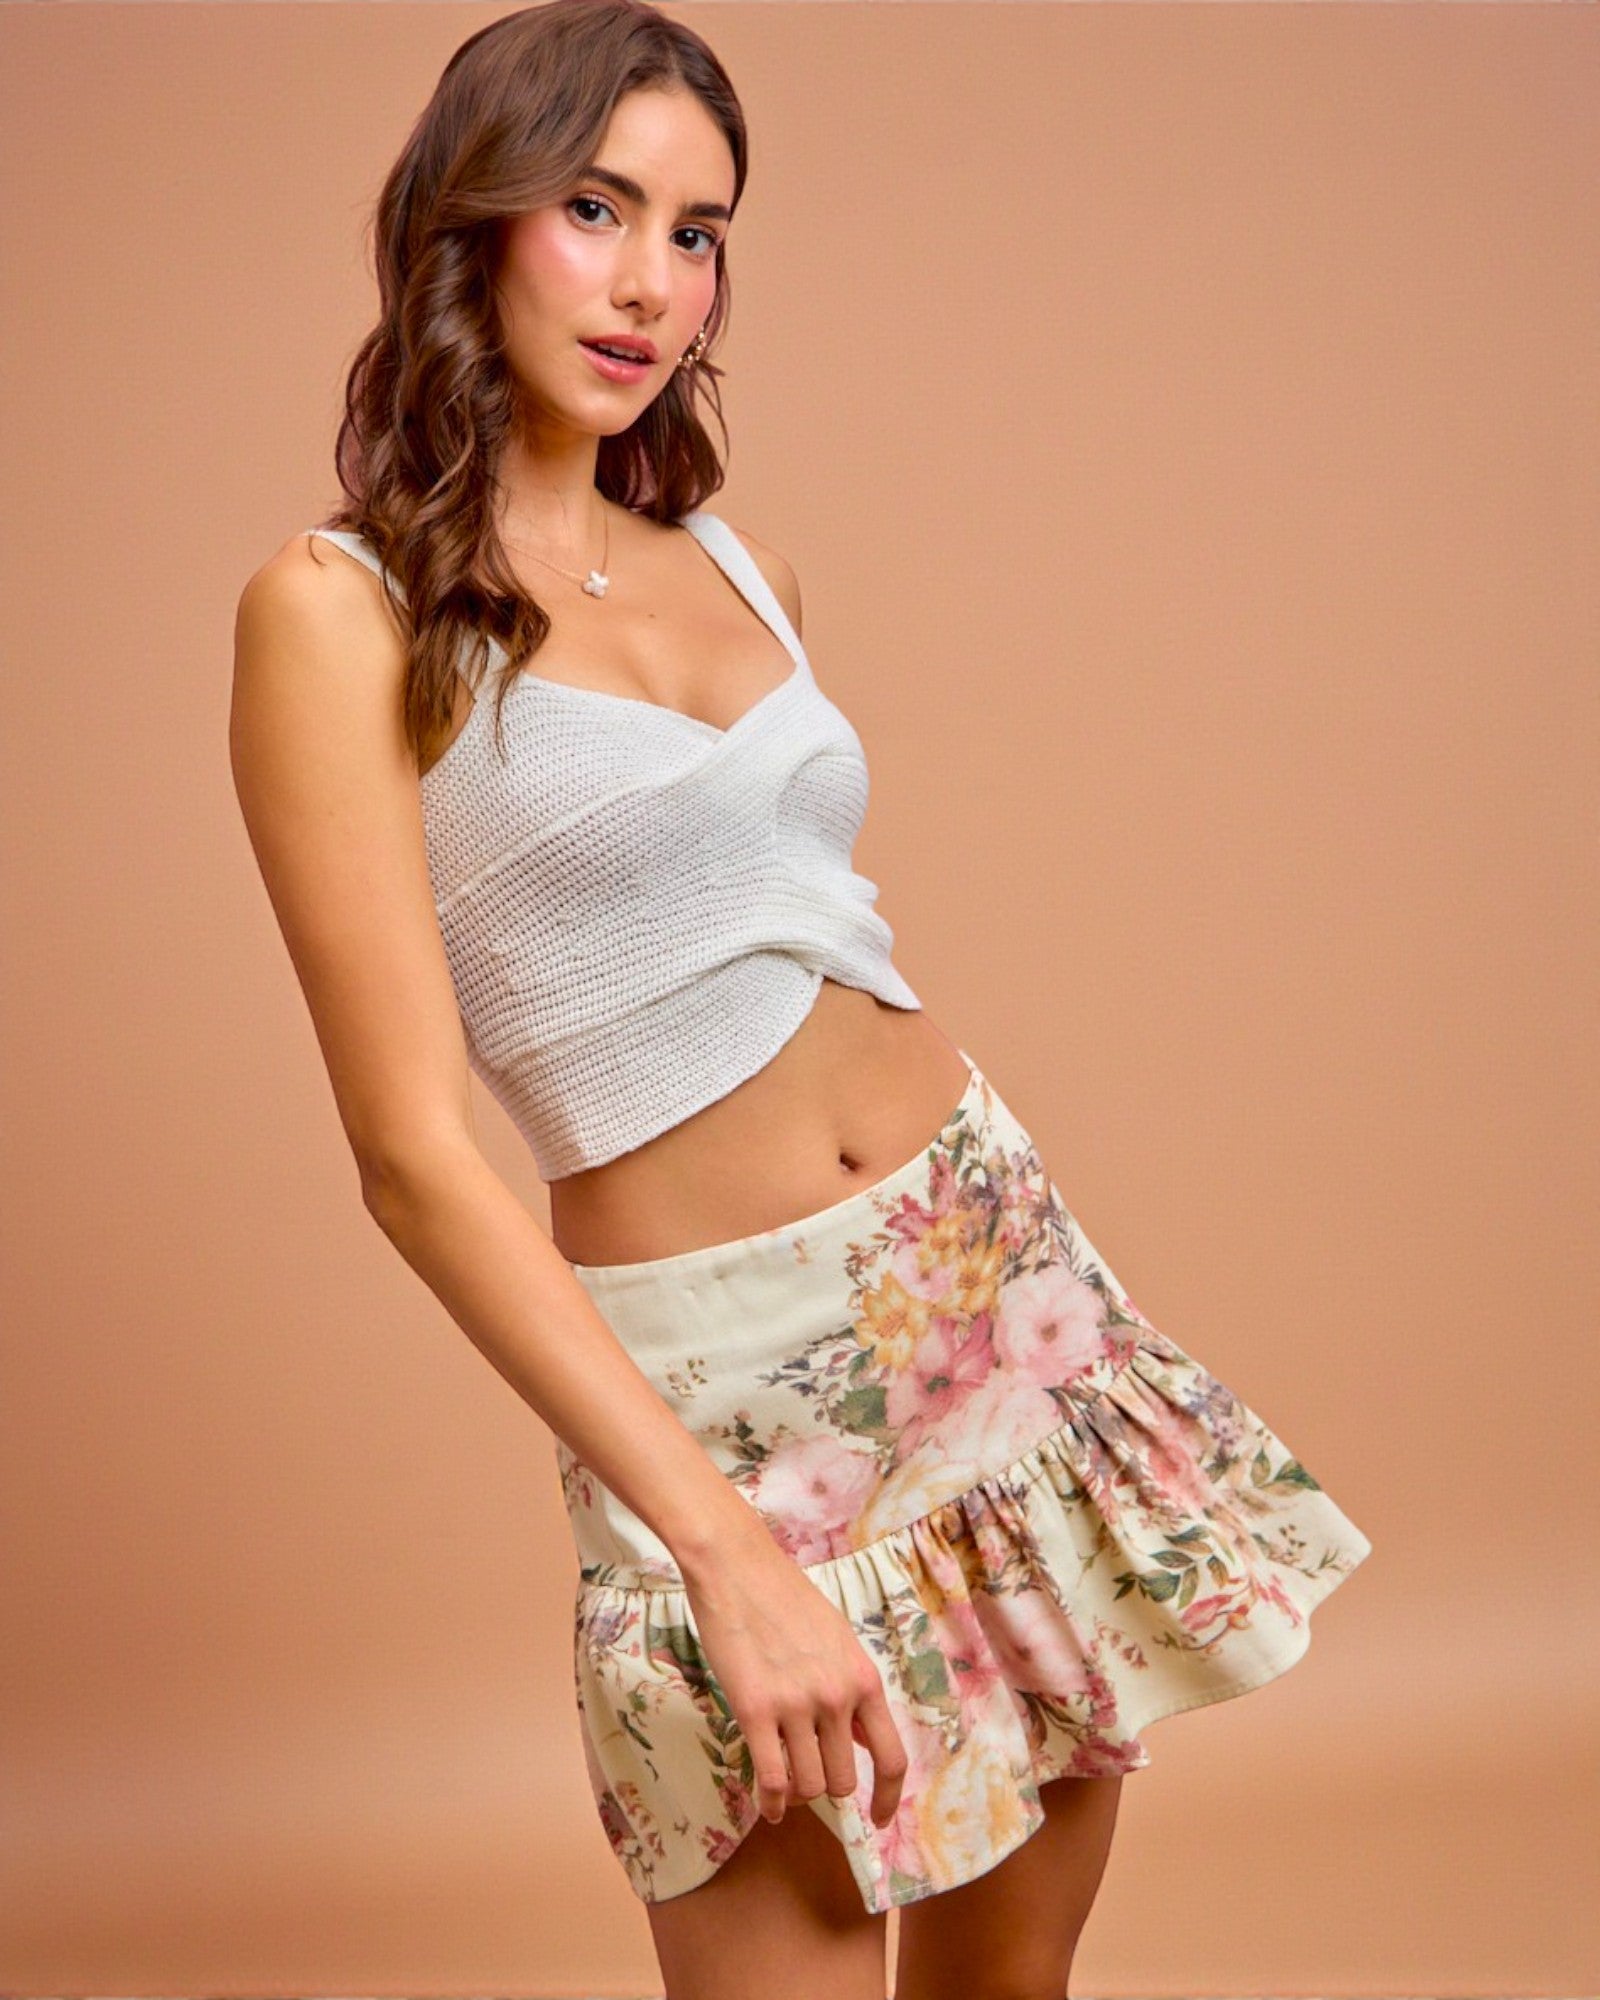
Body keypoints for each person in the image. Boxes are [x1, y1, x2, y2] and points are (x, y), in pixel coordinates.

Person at [228, 3, 1373, 1994]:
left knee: (1005, 1985)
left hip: (985, 1278)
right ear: (469, 220)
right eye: (596, 208)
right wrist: (724, 1552)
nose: (650, 280)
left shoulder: (733, 566)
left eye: (696, 231)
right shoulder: (335, 612)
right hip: (718, 1391)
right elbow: (412, 1158)